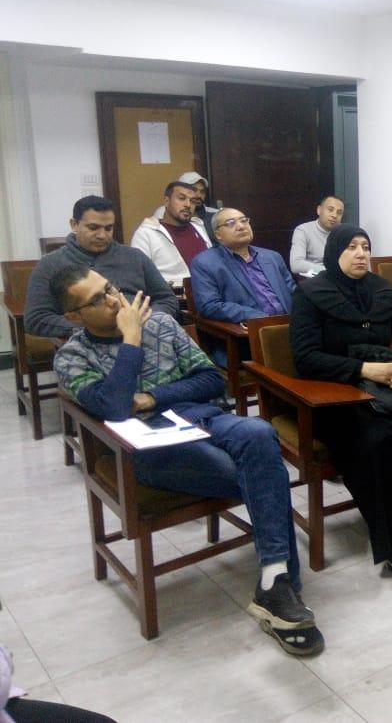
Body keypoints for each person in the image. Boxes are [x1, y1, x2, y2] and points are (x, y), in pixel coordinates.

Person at [51, 265, 324, 656]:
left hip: (203, 418)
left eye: (110, 288)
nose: (114, 300)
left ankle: (275, 581)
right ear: (75, 316)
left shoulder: (162, 324)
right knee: (264, 472)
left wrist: (152, 398)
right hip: (150, 448)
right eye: (97, 299)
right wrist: (131, 339)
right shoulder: (72, 357)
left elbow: (212, 380)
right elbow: (114, 406)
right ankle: (280, 588)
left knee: (259, 433)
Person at [290, 225, 392, 590]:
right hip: (336, 396)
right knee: (377, 440)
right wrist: (365, 370)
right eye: (351, 247)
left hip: (390, 388)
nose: (360, 254)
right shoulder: (310, 294)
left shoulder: (382, 290)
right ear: (334, 252)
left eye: (365, 247)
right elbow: (305, 358)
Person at [25, 195, 180, 338]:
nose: (102, 235)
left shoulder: (135, 257)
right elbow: (35, 319)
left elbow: (167, 299)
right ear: (74, 225)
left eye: (108, 228)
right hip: (87, 345)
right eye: (93, 228)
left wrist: (144, 320)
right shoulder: (50, 264)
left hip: (145, 332)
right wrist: (97, 328)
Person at [189, 208, 295, 322]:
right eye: (231, 223)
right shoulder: (205, 263)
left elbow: (294, 293)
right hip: (252, 327)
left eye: (244, 221)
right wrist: (261, 318)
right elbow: (209, 305)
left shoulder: (272, 257)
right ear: (218, 234)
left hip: (293, 324)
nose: (241, 226)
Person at [131, 180, 212, 287]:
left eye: (192, 201)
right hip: (173, 295)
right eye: (181, 198)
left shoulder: (198, 226)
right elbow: (138, 276)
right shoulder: (146, 233)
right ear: (166, 201)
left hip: (210, 292)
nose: (188, 205)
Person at [289, 195, 345, 275]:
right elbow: (296, 265)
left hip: (340, 278)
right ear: (319, 210)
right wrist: (330, 272)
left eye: (339, 213)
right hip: (314, 278)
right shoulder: (303, 230)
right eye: (330, 210)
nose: (334, 215)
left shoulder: (344, 233)